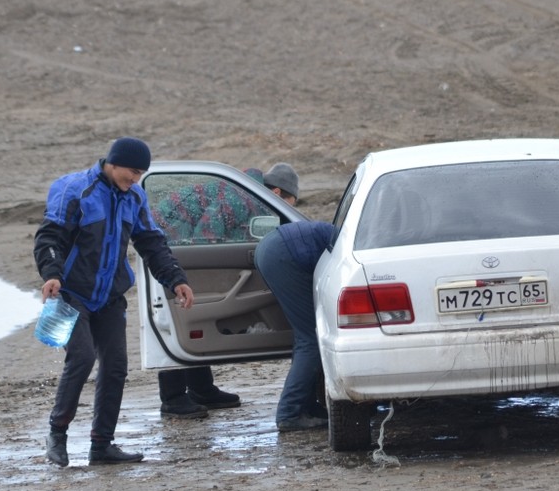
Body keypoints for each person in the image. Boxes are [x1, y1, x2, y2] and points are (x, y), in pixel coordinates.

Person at [34, 137, 196, 467]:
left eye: (140, 174)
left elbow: (151, 243)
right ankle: (57, 434)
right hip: (71, 293)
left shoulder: (135, 197)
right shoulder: (75, 189)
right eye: (132, 172)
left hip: (109, 297)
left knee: (116, 367)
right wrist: (51, 274)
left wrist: (175, 279)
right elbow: (49, 237)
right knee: (81, 357)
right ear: (113, 163)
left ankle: (101, 445)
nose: (135, 179)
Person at [155, 162, 302, 418]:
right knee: (176, 314)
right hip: (164, 238)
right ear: (276, 194)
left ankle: (202, 389)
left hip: (171, 235)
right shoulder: (244, 198)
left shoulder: (246, 193)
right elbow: (207, 235)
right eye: (289, 204)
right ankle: (173, 398)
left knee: (195, 313)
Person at [253, 219, 336, 432]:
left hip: (271, 247)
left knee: (304, 336)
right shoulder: (350, 241)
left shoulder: (341, 231)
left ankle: (307, 406)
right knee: (312, 339)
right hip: (283, 254)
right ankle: (290, 413)